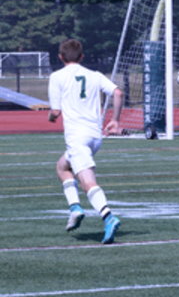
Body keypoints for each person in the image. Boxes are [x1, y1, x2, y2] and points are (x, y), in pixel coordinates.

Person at [48, 38, 124, 244]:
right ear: (82, 57)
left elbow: (56, 111)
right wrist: (115, 120)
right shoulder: (95, 75)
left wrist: (51, 117)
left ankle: (108, 217)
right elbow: (118, 93)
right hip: (95, 137)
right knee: (62, 167)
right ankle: (75, 208)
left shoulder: (57, 76)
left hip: (77, 138)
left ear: (60, 57)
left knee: (87, 183)